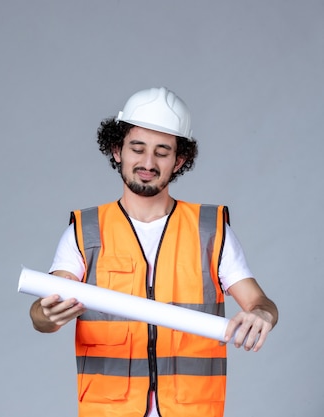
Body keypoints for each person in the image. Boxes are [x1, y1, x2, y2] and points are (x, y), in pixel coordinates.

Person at [29, 87, 278, 417]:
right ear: (117, 150)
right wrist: (46, 316)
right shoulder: (86, 230)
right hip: (109, 410)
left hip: (193, 410)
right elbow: (42, 313)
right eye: (137, 148)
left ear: (179, 160)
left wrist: (261, 315)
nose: (148, 162)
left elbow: (262, 304)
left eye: (162, 152)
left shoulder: (210, 230)